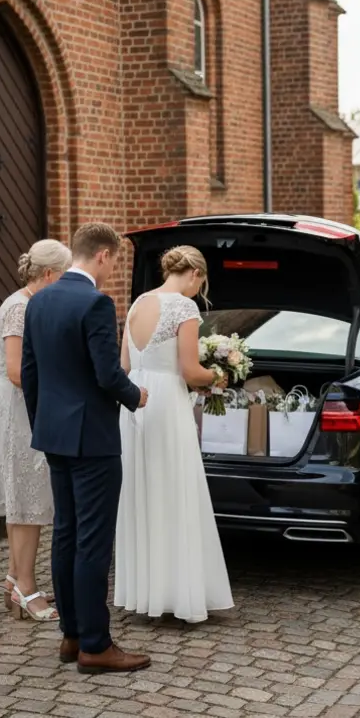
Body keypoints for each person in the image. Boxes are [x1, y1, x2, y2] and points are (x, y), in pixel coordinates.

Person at [22, 222, 150, 674]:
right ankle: (96, 644)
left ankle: (72, 636)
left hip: (55, 435)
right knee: (93, 542)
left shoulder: (38, 302)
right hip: (92, 440)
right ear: (101, 255)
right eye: (113, 259)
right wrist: (137, 395)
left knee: (67, 535)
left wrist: (44, 426)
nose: (112, 268)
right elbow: (106, 373)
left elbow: (31, 374)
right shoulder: (95, 302)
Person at [114, 245, 234, 623]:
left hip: (134, 402)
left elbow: (124, 365)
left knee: (141, 491)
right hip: (166, 404)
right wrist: (217, 376)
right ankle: (176, 596)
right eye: (203, 281)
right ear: (196, 274)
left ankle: (143, 593)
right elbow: (189, 369)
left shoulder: (137, 304)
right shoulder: (184, 307)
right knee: (173, 490)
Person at [0, 239, 71, 622]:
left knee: (23, 500)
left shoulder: (26, 301)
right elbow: (17, 371)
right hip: (17, 411)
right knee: (27, 503)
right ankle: (27, 589)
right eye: (63, 277)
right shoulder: (20, 308)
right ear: (48, 275)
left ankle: (14, 579)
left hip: (20, 408)